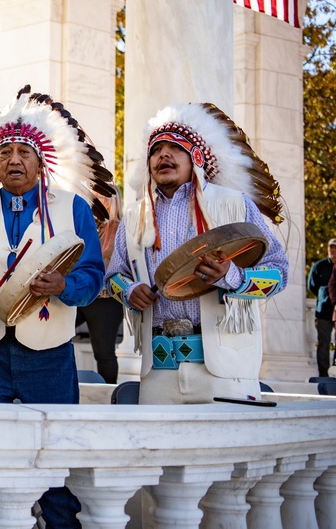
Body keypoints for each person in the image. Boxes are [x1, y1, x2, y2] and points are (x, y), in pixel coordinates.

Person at [0, 89, 115, 528]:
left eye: (24, 152)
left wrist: (64, 285)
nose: (14, 159)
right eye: (5, 152)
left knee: (55, 454)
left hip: (50, 351)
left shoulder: (71, 207)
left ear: (41, 163)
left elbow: (93, 276)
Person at [105, 102, 289, 405]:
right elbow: (113, 275)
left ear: (197, 158)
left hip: (225, 370)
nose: (163, 154)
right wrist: (129, 290)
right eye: (155, 150)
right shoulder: (135, 216)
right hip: (159, 370)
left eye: (175, 147)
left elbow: (279, 273)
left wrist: (232, 276)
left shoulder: (234, 205)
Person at [308, 238, 336, 376]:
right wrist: (323, 296)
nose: (332, 250)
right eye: (330, 247)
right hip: (323, 311)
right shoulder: (319, 266)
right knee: (323, 343)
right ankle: (324, 375)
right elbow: (311, 286)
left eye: (335, 247)